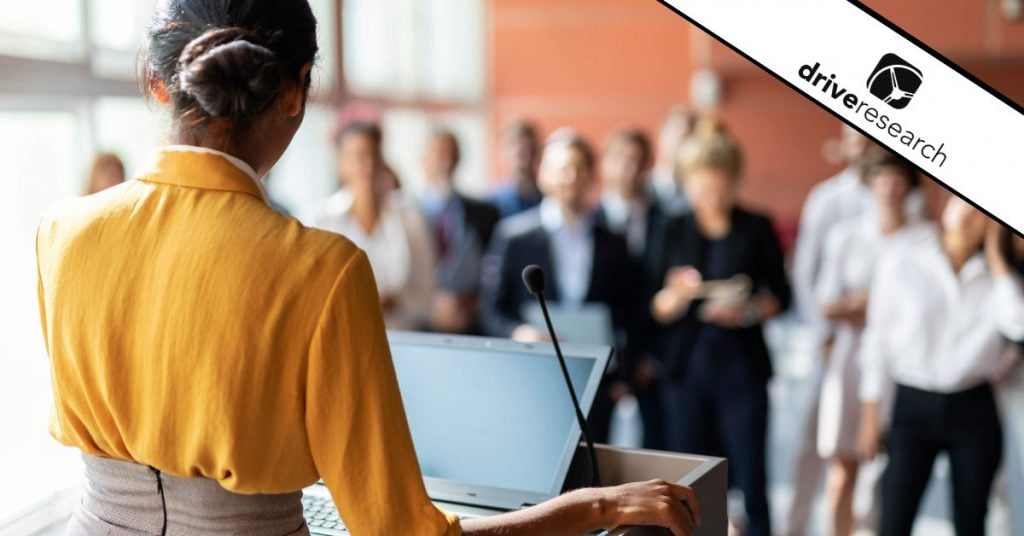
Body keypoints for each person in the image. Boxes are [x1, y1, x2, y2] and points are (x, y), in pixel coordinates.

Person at [35, 1, 702, 534]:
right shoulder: (320, 269)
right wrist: (598, 507)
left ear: (159, 85)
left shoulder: (59, 232)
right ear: (295, 92)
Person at [651, 122, 791, 536]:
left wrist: (746, 310)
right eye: (703, 190)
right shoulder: (671, 226)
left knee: (752, 474)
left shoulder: (756, 224)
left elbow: (782, 295)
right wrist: (676, 294)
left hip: (742, 365)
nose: (713, 199)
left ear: (735, 183)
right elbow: (655, 308)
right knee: (688, 478)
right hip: (687, 366)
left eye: (721, 189)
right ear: (688, 184)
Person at [857, 197, 1024, 536]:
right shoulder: (904, 259)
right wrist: (870, 411)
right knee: (894, 519)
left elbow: (1018, 324)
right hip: (912, 402)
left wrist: (995, 257)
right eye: (964, 204)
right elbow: (877, 340)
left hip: (973, 406)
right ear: (946, 205)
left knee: (971, 521)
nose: (970, 215)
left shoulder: (999, 277)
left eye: (983, 213)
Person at [480, 129, 636, 444]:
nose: (571, 177)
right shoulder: (513, 236)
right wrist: (519, 332)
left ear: (592, 176)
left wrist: (623, 375)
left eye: (580, 168)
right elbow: (491, 309)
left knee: (596, 472)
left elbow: (629, 311)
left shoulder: (614, 242)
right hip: (536, 377)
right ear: (542, 174)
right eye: (562, 168)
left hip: (597, 379)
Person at [813, 148, 932, 536]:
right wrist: (873, 307)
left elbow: (926, 307)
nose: (889, 187)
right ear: (869, 182)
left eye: (897, 179)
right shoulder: (846, 235)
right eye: (881, 178)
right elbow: (827, 304)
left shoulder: (926, 238)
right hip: (851, 356)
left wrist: (871, 307)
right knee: (844, 465)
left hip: (906, 359)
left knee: (893, 467)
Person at [312, 121, 434, 330]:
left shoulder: (409, 217)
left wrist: (396, 303)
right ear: (341, 163)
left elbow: (426, 289)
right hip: (341, 334)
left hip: (400, 336)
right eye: (357, 156)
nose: (367, 165)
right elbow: (313, 292)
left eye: (373, 154)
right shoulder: (320, 220)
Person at [595, 127, 669, 450]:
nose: (629, 169)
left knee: (659, 449)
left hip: (655, 357)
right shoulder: (589, 220)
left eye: (637, 160)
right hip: (604, 357)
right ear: (606, 164)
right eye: (621, 160)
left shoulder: (669, 221)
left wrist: (649, 357)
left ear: (650, 164)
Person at [419, 127, 500, 334]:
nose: (445, 162)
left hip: (470, 321)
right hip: (422, 323)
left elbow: (494, 266)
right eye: (438, 153)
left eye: (451, 154)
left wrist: (473, 302)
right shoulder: (407, 212)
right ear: (423, 159)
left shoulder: (484, 212)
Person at [490, 118, 543, 218]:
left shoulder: (547, 198)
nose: (526, 160)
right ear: (504, 154)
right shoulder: (493, 202)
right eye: (520, 154)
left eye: (530, 151)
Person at [649, 106, 695, 215]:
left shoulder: (698, 194)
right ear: (661, 135)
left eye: (686, 137)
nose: (679, 141)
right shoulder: (639, 186)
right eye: (675, 132)